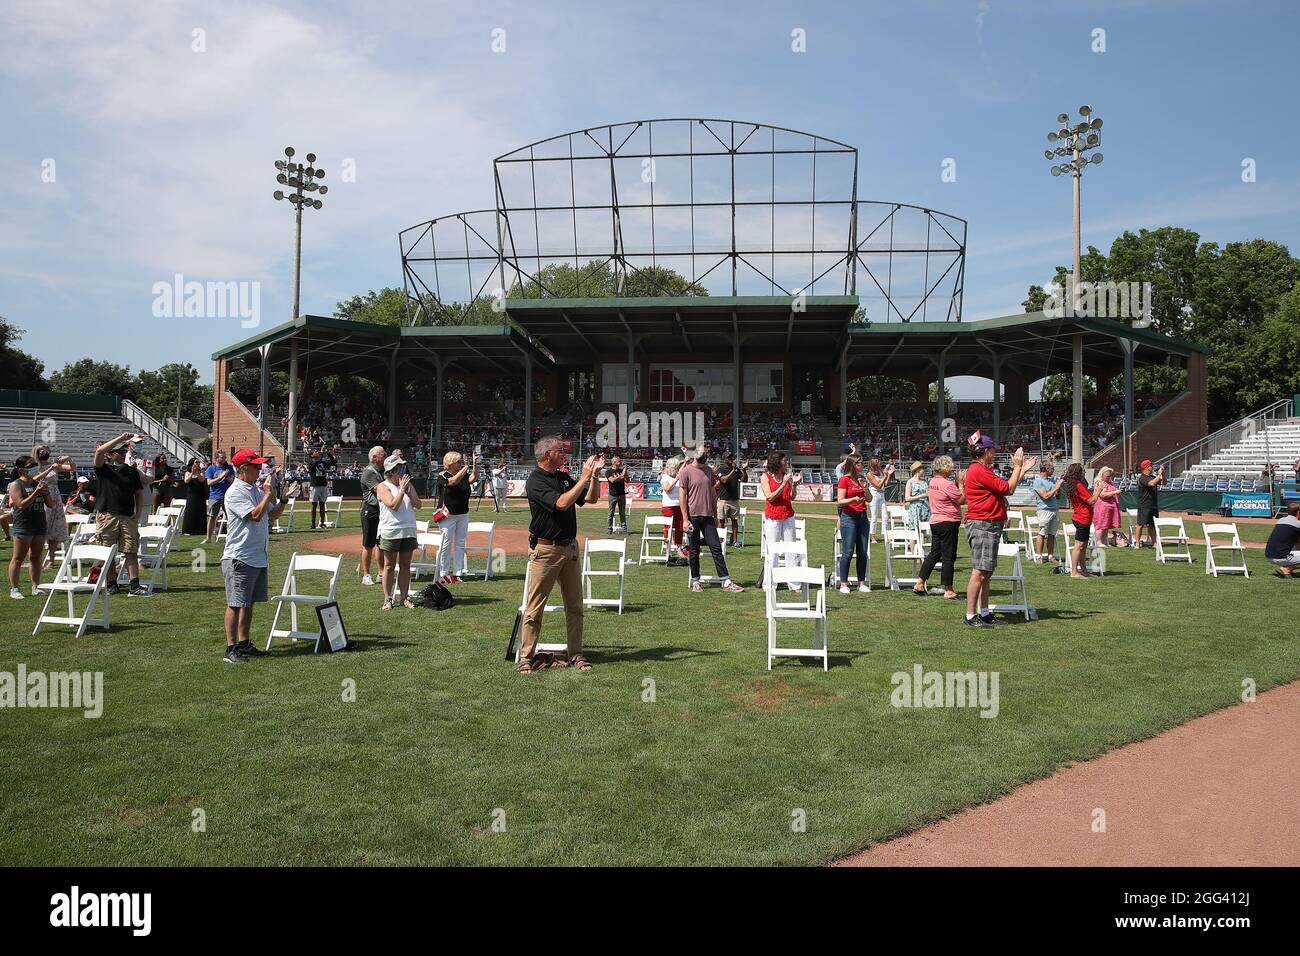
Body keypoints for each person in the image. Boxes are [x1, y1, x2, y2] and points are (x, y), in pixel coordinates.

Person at [517, 438, 602, 674]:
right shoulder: (535, 480)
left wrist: (593, 476)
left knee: (575, 606)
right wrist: (584, 477)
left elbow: (590, 499)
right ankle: (526, 656)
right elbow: (562, 504)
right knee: (535, 607)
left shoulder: (563, 477)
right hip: (546, 550)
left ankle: (576, 654)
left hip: (570, 549)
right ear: (547, 454)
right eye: (560, 450)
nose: (565, 453)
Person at [219, 449, 289, 663]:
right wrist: (268, 493)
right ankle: (231, 648)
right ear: (242, 469)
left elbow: (271, 516)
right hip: (239, 556)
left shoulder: (255, 490)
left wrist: (283, 499)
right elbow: (255, 516)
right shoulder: (235, 492)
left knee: (248, 603)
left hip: (256, 555)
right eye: (256, 466)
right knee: (235, 603)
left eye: (260, 466)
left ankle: (244, 643)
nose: (260, 470)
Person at [962, 435, 1036, 627]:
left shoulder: (979, 470)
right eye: (993, 450)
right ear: (986, 452)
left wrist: (1021, 470)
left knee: (986, 571)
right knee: (979, 571)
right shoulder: (980, 471)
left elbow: (1004, 487)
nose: (995, 453)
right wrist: (1018, 466)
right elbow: (1008, 489)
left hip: (987, 524)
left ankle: (984, 613)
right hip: (983, 524)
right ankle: (971, 615)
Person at [677, 445, 744, 593]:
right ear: (694, 454)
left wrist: (714, 514)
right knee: (694, 550)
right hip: (693, 516)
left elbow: (713, 493)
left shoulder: (708, 470)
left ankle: (726, 581)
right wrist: (685, 519)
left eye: (706, 453)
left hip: (707, 516)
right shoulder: (686, 471)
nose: (705, 455)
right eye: (702, 452)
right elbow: (682, 496)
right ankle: (696, 581)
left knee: (716, 548)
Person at [92, 432, 149, 596]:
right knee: (107, 551)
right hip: (107, 515)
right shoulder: (103, 468)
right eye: (119, 451)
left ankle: (135, 585)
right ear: (111, 454)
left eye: (124, 450)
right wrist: (120, 438)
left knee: (131, 550)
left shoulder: (131, 471)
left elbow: (138, 493)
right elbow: (99, 452)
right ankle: (111, 583)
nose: (123, 453)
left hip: (127, 516)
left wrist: (137, 513)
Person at [375, 452, 422, 609]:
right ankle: (388, 599)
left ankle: (404, 598)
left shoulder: (407, 484)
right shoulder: (382, 486)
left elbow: (418, 505)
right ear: (391, 471)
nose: (403, 470)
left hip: (408, 529)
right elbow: (393, 506)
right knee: (389, 566)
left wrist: (408, 491)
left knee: (405, 565)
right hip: (391, 531)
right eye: (400, 467)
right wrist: (401, 491)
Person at [914, 455, 964, 599]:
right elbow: (961, 499)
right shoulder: (946, 484)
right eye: (950, 466)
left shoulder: (932, 482)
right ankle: (948, 589)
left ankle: (920, 582)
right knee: (949, 556)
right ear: (944, 467)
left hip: (936, 520)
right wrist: (961, 485)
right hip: (948, 521)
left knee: (934, 553)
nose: (952, 469)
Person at [7, 455, 53, 599]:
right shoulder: (16, 485)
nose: (34, 467)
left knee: (36, 556)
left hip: (39, 524)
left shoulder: (37, 483)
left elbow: (50, 504)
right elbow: (21, 505)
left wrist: (45, 492)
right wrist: (36, 492)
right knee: (18, 558)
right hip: (23, 525)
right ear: (22, 470)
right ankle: (14, 588)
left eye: (35, 464)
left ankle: (36, 586)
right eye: (31, 465)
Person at [761, 449, 803, 586]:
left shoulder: (786, 476)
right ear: (777, 462)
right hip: (773, 516)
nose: (786, 463)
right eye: (784, 461)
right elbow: (770, 497)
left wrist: (794, 485)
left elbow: (792, 497)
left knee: (791, 549)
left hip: (788, 515)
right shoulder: (765, 477)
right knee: (773, 552)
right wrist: (784, 483)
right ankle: (770, 583)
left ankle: (794, 582)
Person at [434, 451, 476, 582]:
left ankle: (458, 572)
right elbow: (452, 481)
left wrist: (475, 465)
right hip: (448, 515)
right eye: (458, 462)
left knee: (460, 544)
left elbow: (473, 478)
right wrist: (465, 468)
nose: (461, 463)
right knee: (446, 544)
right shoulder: (442, 475)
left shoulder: (464, 474)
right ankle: (444, 573)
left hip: (463, 514)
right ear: (451, 463)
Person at [31, 444, 74, 571]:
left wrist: (69, 458)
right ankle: (35, 559)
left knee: (53, 530)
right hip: (40, 497)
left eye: (46, 450)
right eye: (42, 451)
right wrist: (50, 469)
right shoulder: (34, 467)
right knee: (39, 529)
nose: (45, 452)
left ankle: (51, 560)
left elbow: (72, 468)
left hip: (54, 498)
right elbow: (34, 479)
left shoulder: (54, 465)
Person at [835, 455, 870, 594]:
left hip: (862, 516)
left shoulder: (861, 479)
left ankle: (861, 583)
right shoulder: (845, 479)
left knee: (862, 551)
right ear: (853, 464)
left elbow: (869, 499)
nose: (862, 465)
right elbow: (840, 501)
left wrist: (865, 488)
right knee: (848, 551)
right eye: (860, 463)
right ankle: (844, 584)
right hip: (849, 517)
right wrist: (853, 499)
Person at [1063, 462, 1100, 579]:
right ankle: (1074, 572)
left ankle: (1083, 570)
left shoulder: (1076, 484)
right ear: (1078, 472)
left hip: (1082, 517)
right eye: (1082, 470)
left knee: (1083, 546)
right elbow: (1091, 501)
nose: (1084, 472)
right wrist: (1098, 490)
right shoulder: (1078, 485)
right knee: (1079, 546)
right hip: (1082, 518)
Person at [358, 445, 386, 587]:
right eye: (383, 454)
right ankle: (366, 574)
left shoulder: (380, 471)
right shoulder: (369, 472)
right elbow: (380, 489)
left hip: (380, 511)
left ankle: (381, 573)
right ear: (374, 457)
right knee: (368, 545)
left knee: (380, 544)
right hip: (371, 510)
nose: (385, 456)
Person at [1032, 460, 1064, 562]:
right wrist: (1056, 488)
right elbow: (1045, 496)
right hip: (1044, 510)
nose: (1053, 470)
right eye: (1052, 468)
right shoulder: (1038, 481)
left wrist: (1058, 488)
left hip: (1054, 509)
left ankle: (1050, 556)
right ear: (1046, 469)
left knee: (1052, 534)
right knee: (1042, 533)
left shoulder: (1052, 480)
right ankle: (1039, 556)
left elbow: (1058, 497)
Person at [202, 450, 235, 543]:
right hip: (214, 496)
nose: (224, 459)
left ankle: (230, 538)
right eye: (222, 457)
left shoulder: (229, 468)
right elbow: (209, 483)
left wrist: (227, 476)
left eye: (225, 457)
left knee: (230, 517)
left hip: (228, 496)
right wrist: (221, 476)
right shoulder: (211, 469)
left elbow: (233, 482)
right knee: (212, 517)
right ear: (216, 458)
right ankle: (208, 538)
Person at [660, 456, 687, 564]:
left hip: (679, 505)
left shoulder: (678, 475)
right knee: (668, 528)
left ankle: (679, 548)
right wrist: (676, 479)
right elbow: (667, 489)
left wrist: (685, 461)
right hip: (668, 505)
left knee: (680, 527)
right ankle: (668, 549)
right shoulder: (665, 477)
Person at [1132, 459, 1164, 549]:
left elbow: (1164, 482)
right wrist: (1159, 474)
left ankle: (1154, 543)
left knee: (1152, 525)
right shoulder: (1142, 477)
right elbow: (1152, 484)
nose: (1152, 467)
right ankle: (1137, 543)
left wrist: (1162, 474)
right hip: (1144, 505)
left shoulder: (1153, 476)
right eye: (1150, 465)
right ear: (1146, 467)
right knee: (1140, 524)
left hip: (1153, 505)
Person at [716, 455, 747, 547]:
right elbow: (724, 480)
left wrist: (744, 471)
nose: (730, 460)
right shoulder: (720, 469)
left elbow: (744, 480)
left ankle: (735, 541)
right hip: (723, 499)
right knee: (721, 521)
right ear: (724, 459)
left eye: (731, 458)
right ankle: (721, 541)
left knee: (735, 521)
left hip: (734, 499)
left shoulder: (737, 469)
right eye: (728, 458)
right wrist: (733, 470)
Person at [1265, 502, 1300, 578]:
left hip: (1269, 555)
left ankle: (1288, 568)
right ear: (1298, 512)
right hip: (1281, 556)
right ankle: (1288, 568)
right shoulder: (1297, 524)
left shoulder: (1281, 520)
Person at [864, 458, 894, 543]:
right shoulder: (869, 475)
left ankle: (885, 535)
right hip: (874, 494)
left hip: (881, 494)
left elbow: (886, 484)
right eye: (878, 462)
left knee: (885, 516)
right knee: (874, 516)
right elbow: (878, 485)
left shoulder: (880, 471)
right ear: (874, 464)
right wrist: (885, 475)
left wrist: (888, 475)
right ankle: (872, 536)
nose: (880, 463)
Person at [1091, 465, 1122, 547]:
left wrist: (1118, 492)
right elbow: (1102, 495)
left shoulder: (1110, 482)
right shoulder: (1099, 482)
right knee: (1101, 525)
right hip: (1102, 507)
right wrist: (1115, 492)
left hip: (1110, 506)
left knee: (1106, 525)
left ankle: (1105, 542)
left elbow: (1111, 494)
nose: (1109, 477)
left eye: (1110, 476)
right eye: (1107, 476)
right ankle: (1099, 542)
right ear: (1102, 475)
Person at [307, 447, 336, 530]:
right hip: (315, 485)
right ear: (311, 455)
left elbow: (333, 462)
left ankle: (322, 522)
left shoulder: (322, 462)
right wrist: (322, 453)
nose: (317, 452)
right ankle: (313, 523)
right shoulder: (310, 462)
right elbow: (314, 464)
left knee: (322, 504)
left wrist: (329, 453)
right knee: (314, 504)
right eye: (315, 452)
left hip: (323, 485)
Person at [181, 458, 208, 535]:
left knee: (200, 511)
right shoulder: (187, 472)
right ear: (192, 463)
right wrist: (192, 473)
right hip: (191, 495)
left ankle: (201, 530)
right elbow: (186, 481)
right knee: (190, 511)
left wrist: (198, 472)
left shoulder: (202, 472)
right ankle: (188, 530)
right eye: (196, 462)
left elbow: (202, 480)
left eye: (199, 462)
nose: (198, 463)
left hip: (200, 495)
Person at [903, 461, 930, 530]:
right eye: (922, 469)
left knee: (924, 530)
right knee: (914, 531)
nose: (924, 470)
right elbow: (907, 498)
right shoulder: (910, 482)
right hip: (915, 509)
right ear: (918, 470)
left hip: (925, 508)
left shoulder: (925, 482)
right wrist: (921, 496)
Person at [605, 455, 628, 533]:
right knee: (611, 513)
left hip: (622, 494)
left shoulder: (621, 470)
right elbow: (612, 480)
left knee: (622, 513)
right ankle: (609, 529)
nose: (620, 462)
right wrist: (622, 475)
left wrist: (626, 473)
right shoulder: (608, 472)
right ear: (614, 462)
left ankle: (624, 529)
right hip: (613, 495)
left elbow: (627, 480)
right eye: (619, 461)